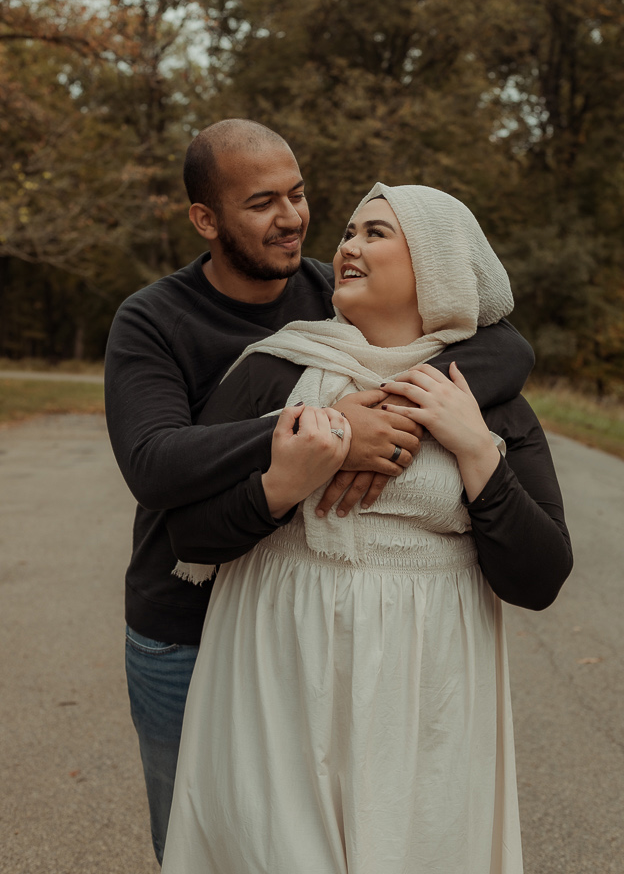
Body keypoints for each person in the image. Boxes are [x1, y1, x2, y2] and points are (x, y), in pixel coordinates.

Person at [104, 120, 533, 864]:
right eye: (263, 202)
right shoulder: (153, 319)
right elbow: (154, 462)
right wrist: (319, 432)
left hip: (311, 629)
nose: (293, 218)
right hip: (186, 619)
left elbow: (499, 342)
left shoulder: (333, 294)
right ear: (206, 220)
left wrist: (400, 410)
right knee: (202, 841)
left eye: (299, 195)